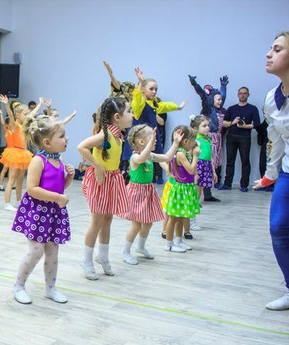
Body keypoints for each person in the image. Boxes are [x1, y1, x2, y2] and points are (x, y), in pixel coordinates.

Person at [254, 31, 289, 310]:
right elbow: (276, 139)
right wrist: (271, 173)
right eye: (270, 48)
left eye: (277, 49)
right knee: (279, 228)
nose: (269, 54)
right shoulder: (272, 98)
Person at [11, 115, 74, 304]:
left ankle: (50, 288)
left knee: (52, 252)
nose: (66, 139)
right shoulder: (38, 161)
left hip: (53, 213)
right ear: (47, 142)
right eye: (62, 136)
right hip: (38, 212)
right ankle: (19, 286)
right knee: (36, 250)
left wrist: (68, 179)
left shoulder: (58, 160)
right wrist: (57, 198)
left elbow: (58, 186)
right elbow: (32, 189)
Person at [77, 97, 133, 279]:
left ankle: (103, 255)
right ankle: (86, 260)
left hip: (112, 179)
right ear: (117, 116)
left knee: (108, 218)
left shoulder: (117, 135)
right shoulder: (105, 134)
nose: (132, 115)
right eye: (129, 112)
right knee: (97, 221)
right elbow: (82, 147)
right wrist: (97, 166)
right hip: (100, 180)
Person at [121, 124, 183, 265]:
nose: (155, 140)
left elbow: (167, 157)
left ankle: (140, 247)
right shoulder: (135, 157)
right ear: (142, 142)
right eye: (152, 138)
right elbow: (142, 159)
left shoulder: (150, 155)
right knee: (136, 225)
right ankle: (125, 251)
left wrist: (175, 142)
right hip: (136, 194)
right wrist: (150, 143)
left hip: (147, 192)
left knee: (148, 223)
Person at [128, 68, 186, 183]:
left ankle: (171, 174)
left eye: (156, 89)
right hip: (141, 138)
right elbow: (136, 100)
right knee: (139, 162)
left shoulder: (154, 104)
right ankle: (134, 183)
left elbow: (165, 106)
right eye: (151, 89)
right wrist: (140, 82)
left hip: (152, 135)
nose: (154, 91)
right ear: (143, 90)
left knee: (158, 157)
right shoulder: (140, 105)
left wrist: (177, 107)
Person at [188, 74, 228, 201]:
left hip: (215, 140)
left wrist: (223, 86)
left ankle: (207, 194)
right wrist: (195, 84)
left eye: (221, 100)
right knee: (202, 169)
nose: (221, 101)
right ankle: (200, 196)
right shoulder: (207, 110)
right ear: (211, 99)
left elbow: (222, 96)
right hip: (210, 139)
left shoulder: (218, 110)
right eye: (218, 99)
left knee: (210, 167)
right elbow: (203, 96)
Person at [0, 95, 42, 211]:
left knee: (20, 180)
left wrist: (40, 104)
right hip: (14, 153)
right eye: (24, 114)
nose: (27, 116)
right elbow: (11, 115)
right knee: (11, 179)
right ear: (18, 115)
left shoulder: (24, 126)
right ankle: (7, 203)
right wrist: (6, 104)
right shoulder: (14, 125)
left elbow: (32, 115)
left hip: (23, 154)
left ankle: (19, 201)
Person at [164, 126, 200, 252]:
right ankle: (169, 244)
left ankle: (178, 241)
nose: (194, 143)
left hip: (186, 189)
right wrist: (195, 156)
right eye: (192, 140)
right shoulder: (180, 154)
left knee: (180, 217)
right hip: (180, 190)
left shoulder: (184, 153)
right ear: (185, 142)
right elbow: (191, 170)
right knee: (173, 218)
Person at [220, 87, 261, 192]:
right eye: (241, 93)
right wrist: (233, 122)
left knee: (245, 161)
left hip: (245, 138)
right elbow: (223, 123)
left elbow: (256, 124)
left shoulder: (253, 109)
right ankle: (227, 183)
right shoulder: (231, 109)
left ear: (248, 95)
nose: (242, 95)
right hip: (231, 137)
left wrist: (244, 126)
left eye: (245, 93)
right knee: (230, 161)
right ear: (238, 95)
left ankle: (244, 185)